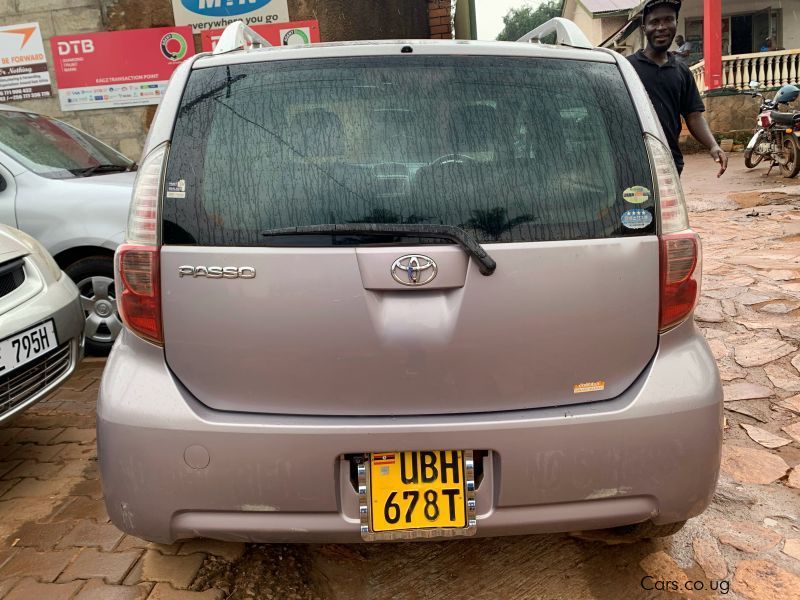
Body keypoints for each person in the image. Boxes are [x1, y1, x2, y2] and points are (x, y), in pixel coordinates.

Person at [627, 0, 727, 177]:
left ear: (676, 24)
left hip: (669, 162)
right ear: (644, 28)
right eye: (654, 22)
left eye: (668, 20)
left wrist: (713, 145)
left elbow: (693, 115)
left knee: (669, 206)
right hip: (634, 161)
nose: (662, 27)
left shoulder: (681, 71)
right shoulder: (627, 68)